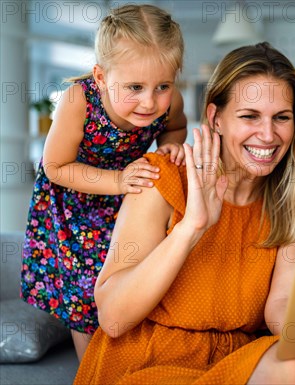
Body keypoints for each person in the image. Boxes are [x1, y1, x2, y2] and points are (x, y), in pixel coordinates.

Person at [74, 41, 295, 384]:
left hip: (233, 362)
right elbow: (113, 318)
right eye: (249, 116)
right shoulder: (160, 178)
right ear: (216, 118)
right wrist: (192, 227)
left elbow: (282, 304)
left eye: (282, 118)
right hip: (147, 362)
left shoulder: (294, 211)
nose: (268, 135)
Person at [20, 4, 187, 361]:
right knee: (85, 288)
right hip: (75, 200)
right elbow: (54, 166)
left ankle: (130, 354)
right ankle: (91, 368)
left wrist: (171, 147)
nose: (149, 101)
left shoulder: (171, 104)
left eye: (163, 86)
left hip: (127, 197)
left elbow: (175, 128)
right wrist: (117, 180)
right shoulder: (78, 99)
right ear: (100, 77)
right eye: (134, 87)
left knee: (132, 278)